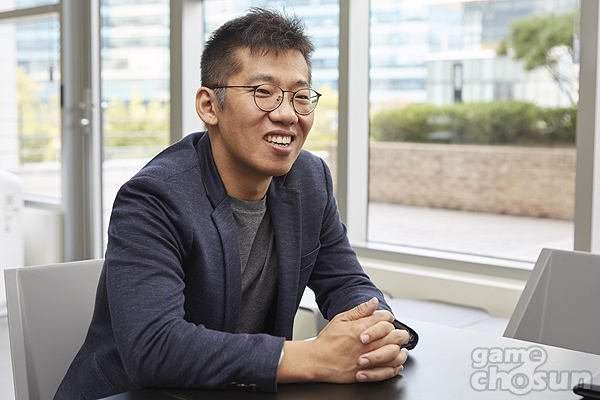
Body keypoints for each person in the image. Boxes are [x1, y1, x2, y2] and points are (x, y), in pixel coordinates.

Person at [54, 8, 417, 400]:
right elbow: (154, 347)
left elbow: (345, 281)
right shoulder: (153, 198)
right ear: (209, 106)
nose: (287, 114)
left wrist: (376, 331)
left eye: (300, 97)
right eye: (263, 93)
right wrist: (314, 356)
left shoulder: (309, 179)